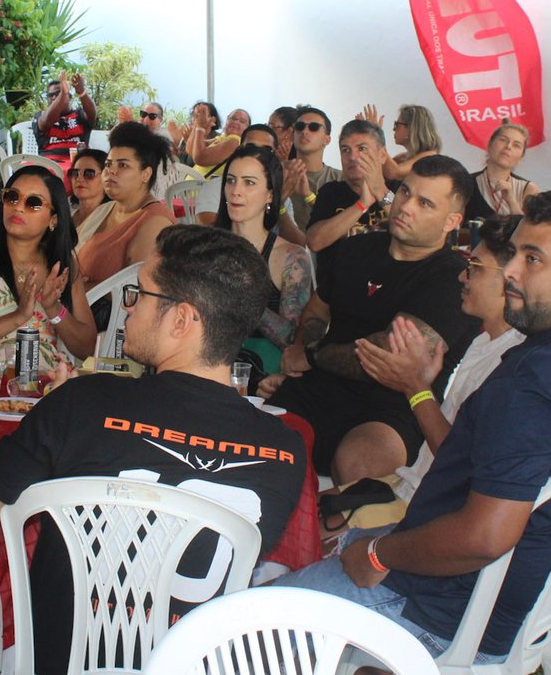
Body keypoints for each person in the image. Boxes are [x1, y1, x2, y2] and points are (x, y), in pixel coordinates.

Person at [277, 191, 551, 675]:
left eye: (533, 259)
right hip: (506, 594)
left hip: (447, 602)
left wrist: (379, 555)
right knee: (331, 551)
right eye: (514, 255)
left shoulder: (535, 384)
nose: (512, 273)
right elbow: (484, 466)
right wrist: (420, 392)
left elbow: (485, 536)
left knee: (246, 633)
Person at [0, 225, 308, 675]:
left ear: (181, 320)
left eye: (140, 294)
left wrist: (50, 434)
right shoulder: (285, 450)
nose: (127, 307)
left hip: (61, 667)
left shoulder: (83, 404)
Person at [263, 156, 480, 485]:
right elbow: (318, 310)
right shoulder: (356, 248)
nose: (406, 207)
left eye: (425, 203)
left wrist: (310, 356)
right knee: (254, 445)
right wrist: (301, 349)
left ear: (452, 221)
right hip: (316, 389)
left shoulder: (453, 278)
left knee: (357, 467)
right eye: (405, 192)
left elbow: (386, 356)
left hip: (393, 406)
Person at [357, 215, 527, 499]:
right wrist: (422, 383)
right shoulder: (485, 340)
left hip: (428, 505)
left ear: (510, 277)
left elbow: (457, 458)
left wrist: (416, 388)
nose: (462, 277)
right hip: (415, 486)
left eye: (474, 267)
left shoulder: (511, 363)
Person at [0, 166, 97, 373]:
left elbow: (86, 348)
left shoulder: (60, 266)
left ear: (53, 219)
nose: (18, 207)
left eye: (33, 203)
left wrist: (53, 309)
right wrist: (16, 317)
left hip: (48, 385)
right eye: (12, 197)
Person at [215, 143, 313, 375]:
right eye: (231, 181)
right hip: (211, 363)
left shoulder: (291, 257)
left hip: (263, 370)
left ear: (270, 194)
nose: (236, 191)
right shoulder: (208, 248)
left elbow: (291, 338)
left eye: (249, 183)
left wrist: (243, 292)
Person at [74, 121, 175, 291]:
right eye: (108, 164)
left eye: (123, 165)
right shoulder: (106, 208)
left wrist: (78, 289)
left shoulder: (155, 222)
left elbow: (136, 291)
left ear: (146, 174)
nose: (111, 171)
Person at [305, 119, 394, 252]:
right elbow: (314, 242)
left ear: (382, 155)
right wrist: (361, 204)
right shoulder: (331, 191)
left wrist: (381, 192)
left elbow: (416, 233)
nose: (352, 157)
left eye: (362, 149)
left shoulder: (399, 189)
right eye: (345, 150)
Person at [463, 120, 538, 223]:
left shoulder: (528, 189)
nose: (508, 146)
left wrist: (511, 200)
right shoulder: (466, 182)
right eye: (503, 140)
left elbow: (531, 229)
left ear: (521, 156)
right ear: (490, 145)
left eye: (516, 145)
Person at [282, 106, 341, 231]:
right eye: (300, 126)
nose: (305, 131)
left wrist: (309, 196)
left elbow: (342, 226)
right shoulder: (278, 172)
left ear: (327, 140)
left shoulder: (340, 178)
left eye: (314, 127)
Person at [366, 102, 442, 184]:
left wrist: (376, 135)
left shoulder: (429, 156)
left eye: (397, 124)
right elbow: (377, 169)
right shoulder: (403, 157)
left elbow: (394, 173)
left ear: (411, 128)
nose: (394, 129)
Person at [33, 70, 97, 161]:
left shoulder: (80, 114)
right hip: (48, 164)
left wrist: (82, 92)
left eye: (58, 94)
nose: (54, 98)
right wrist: (63, 94)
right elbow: (45, 123)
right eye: (51, 95)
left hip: (77, 164)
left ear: (70, 97)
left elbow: (92, 115)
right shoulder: (41, 116)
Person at [185, 105, 251, 178]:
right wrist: (197, 123)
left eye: (242, 121)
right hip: (191, 183)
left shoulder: (235, 141)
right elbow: (190, 150)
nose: (236, 122)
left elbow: (200, 158)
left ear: (247, 128)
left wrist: (200, 128)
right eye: (233, 118)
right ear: (227, 120)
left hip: (201, 185)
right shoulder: (223, 138)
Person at [67, 147, 107, 232]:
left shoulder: (112, 216)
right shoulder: (65, 209)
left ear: (106, 177)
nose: (79, 179)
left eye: (89, 174)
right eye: (75, 173)